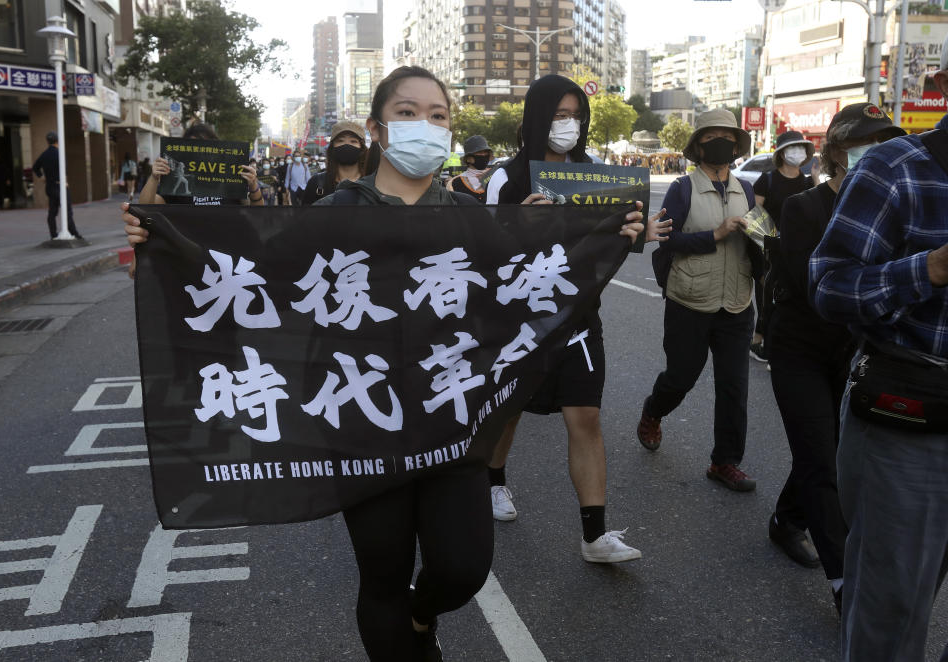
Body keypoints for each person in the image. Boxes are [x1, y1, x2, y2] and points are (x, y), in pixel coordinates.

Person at [124, 63, 647, 662]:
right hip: (363, 423)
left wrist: (597, 233)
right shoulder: (333, 211)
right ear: (377, 130)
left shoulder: (471, 217)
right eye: (407, 113)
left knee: (463, 568)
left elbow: (520, 288)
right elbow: (254, 276)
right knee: (383, 577)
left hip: (451, 419)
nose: (424, 126)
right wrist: (164, 247)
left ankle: (423, 620)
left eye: (438, 116)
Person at [484, 74, 671, 564]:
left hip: (580, 316)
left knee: (585, 417)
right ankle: (494, 483)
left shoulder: (598, 173)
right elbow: (484, 253)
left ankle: (595, 534)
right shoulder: (509, 178)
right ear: (537, 118)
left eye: (576, 116)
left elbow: (611, 240)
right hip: (520, 322)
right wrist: (516, 224)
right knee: (509, 412)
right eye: (559, 115)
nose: (568, 125)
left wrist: (638, 232)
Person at [809, 42, 948, 661]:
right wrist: (931, 269)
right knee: (888, 620)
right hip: (912, 425)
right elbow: (829, 286)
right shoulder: (896, 168)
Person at [765, 104, 905, 607]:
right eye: (866, 143)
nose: (878, 151)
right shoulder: (804, 208)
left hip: (855, 352)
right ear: (836, 153)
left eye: (886, 141)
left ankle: (786, 519)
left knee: (823, 451)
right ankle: (845, 583)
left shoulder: (892, 205)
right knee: (824, 461)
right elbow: (817, 288)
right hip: (800, 348)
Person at [636, 108, 763, 492]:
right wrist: (716, 234)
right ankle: (653, 411)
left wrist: (766, 236)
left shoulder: (746, 189)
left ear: (737, 146)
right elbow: (666, 239)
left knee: (734, 387)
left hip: (737, 301)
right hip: (689, 300)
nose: (719, 143)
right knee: (681, 377)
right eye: (710, 138)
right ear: (698, 147)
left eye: (726, 137)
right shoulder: (682, 188)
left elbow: (760, 236)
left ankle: (725, 462)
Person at [749, 131, 815, 362]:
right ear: (782, 153)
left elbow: (813, 217)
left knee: (788, 299)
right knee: (767, 298)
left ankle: (767, 341)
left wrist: (816, 182)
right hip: (767, 249)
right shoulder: (767, 180)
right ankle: (760, 342)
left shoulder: (807, 182)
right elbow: (754, 215)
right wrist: (773, 243)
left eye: (801, 147)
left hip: (797, 252)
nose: (797, 152)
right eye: (792, 147)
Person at [138, 123, 262, 207]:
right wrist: (154, 178)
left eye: (206, 145)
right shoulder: (172, 183)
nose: (202, 151)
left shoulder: (231, 177)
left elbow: (257, 213)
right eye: (194, 146)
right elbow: (146, 208)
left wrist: (253, 185)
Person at [302, 120, 367, 205]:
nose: (346, 145)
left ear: (362, 147)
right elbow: (304, 217)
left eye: (353, 141)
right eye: (340, 141)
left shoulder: (373, 183)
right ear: (332, 147)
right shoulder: (316, 183)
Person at [32, 131, 82, 240]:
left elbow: (35, 167)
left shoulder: (44, 154)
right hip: (61, 186)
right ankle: (73, 233)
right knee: (67, 210)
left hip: (49, 186)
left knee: (52, 211)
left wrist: (42, 177)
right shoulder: (59, 154)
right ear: (57, 141)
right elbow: (65, 170)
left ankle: (53, 234)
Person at [446, 135, 492, 203]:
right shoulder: (454, 183)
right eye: (479, 152)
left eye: (486, 152)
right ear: (468, 159)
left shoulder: (495, 177)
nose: (483, 155)